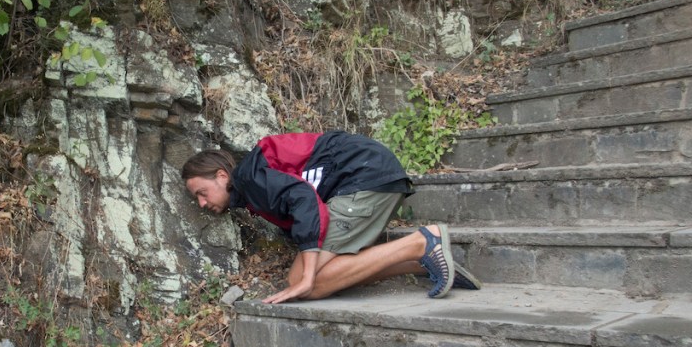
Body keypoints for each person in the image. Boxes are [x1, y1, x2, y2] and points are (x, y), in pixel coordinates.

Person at [181, 130, 481, 304]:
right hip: (370, 178)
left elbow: (303, 198)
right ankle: (420, 262)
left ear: (222, 176)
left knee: (303, 281)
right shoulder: (253, 187)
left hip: (364, 179)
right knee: (319, 277)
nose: (202, 202)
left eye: (202, 192)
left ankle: (421, 243)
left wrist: (307, 276)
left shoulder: (250, 178)